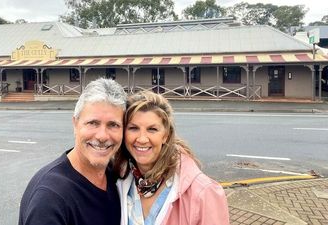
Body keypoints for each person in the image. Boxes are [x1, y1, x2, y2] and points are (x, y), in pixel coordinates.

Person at [19, 78, 127, 225]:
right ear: (75, 124)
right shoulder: (50, 198)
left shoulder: (117, 178)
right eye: (93, 123)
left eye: (113, 125)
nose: (102, 136)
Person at [114, 91, 230, 225]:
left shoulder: (203, 193)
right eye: (133, 128)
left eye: (152, 129)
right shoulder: (118, 180)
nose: (142, 139)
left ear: (166, 135)